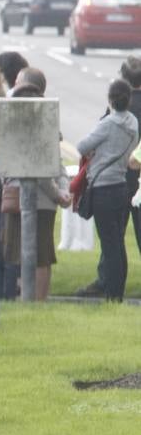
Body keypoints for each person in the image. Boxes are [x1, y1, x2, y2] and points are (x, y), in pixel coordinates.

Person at [77, 79, 141, 302]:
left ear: (110, 100)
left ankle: (113, 295)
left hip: (103, 187)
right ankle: (118, 291)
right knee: (118, 242)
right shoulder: (133, 122)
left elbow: (82, 145)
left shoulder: (108, 123)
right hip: (122, 185)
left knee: (109, 243)